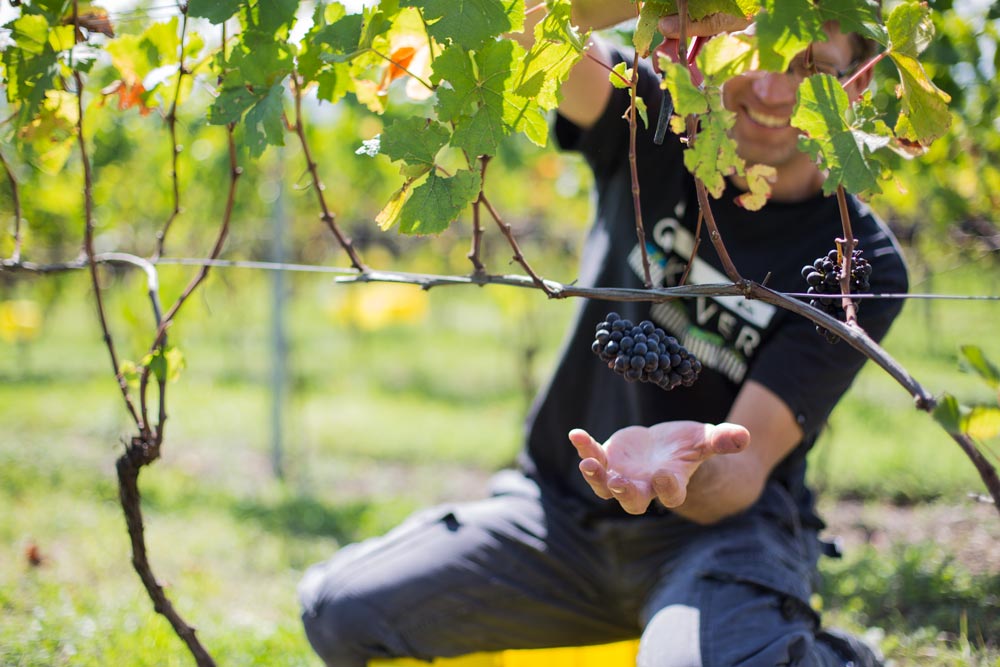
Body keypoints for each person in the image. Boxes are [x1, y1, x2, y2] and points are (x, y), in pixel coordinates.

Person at [298, 2, 908, 666]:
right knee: (341, 610)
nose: (769, 88)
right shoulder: (651, 117)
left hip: (720, 536)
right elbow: (532, 21)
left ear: (860, 83)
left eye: (808, 68)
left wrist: (687, 468)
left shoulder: (857, 261)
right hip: (560, 512)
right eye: (755, 49)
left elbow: (743, 468)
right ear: (711, 36)